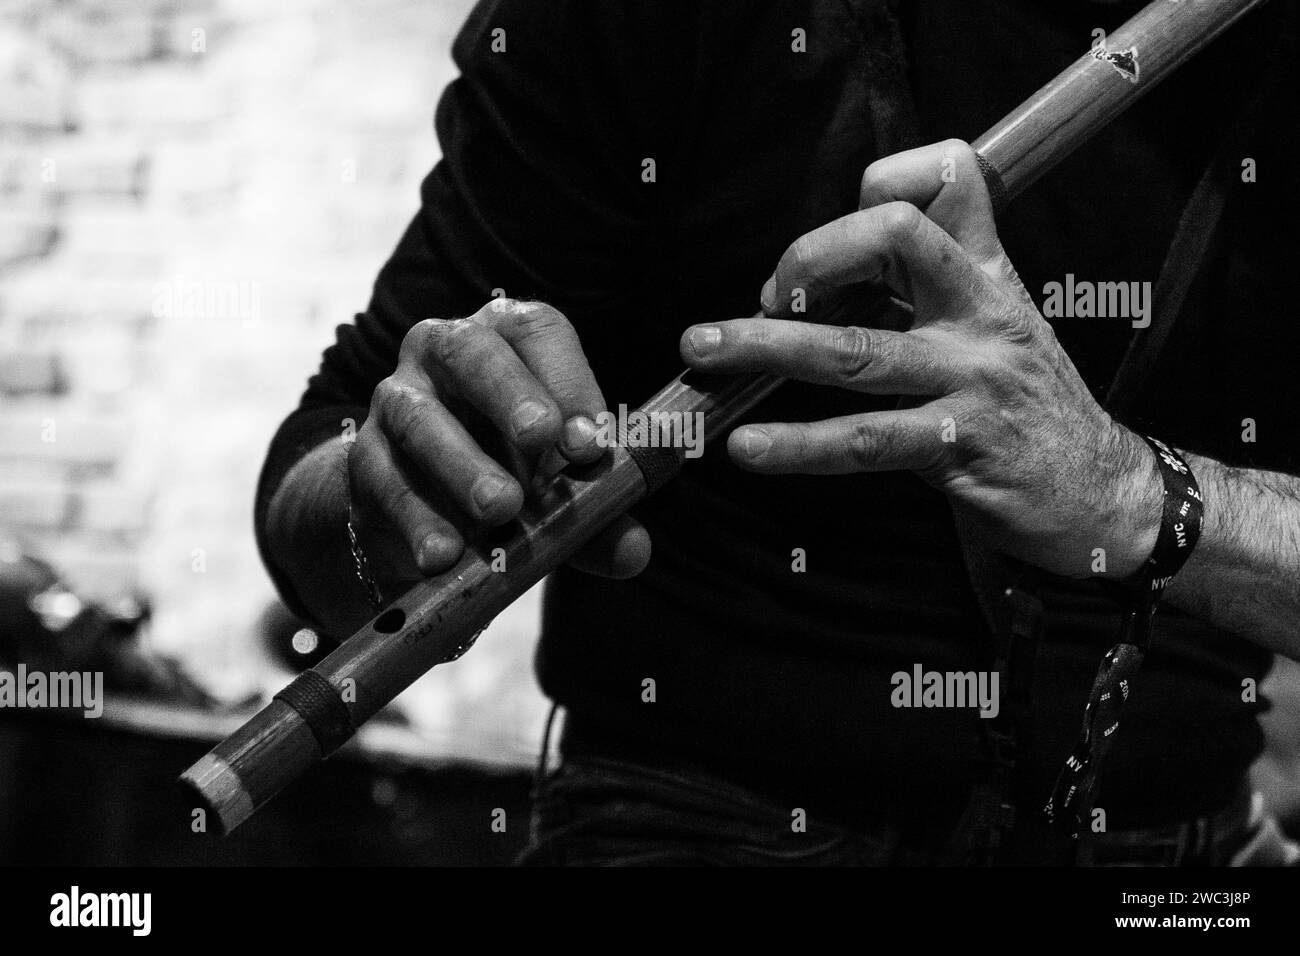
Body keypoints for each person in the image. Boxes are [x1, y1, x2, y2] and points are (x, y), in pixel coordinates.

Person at [254, 0, 1300, 865]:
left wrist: (1132, 496)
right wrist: (380, 503)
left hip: (1171, 851)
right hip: (688, 827)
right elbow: (319, 473)